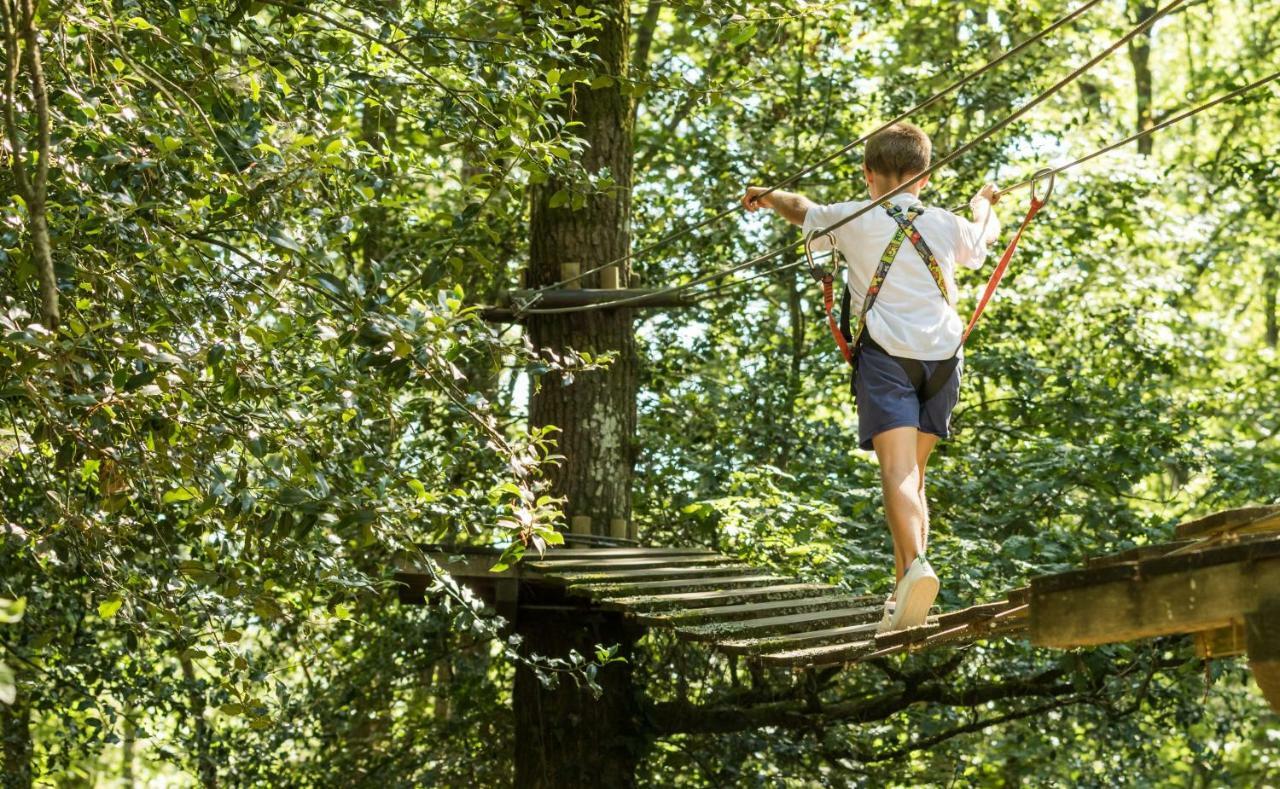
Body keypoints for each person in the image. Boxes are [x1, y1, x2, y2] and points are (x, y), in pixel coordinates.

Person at [741, 121, 1001, 632]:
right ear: (923, 178)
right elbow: (982, 236)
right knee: (915, 477)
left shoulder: (852, 218)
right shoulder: (946, 224)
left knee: (898, 473)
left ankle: (916, 571)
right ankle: (906, 586)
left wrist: (768, 197)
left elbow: (801, 210)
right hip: (944, 358)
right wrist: (983, 202)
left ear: (867, 175)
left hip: (888, 357)